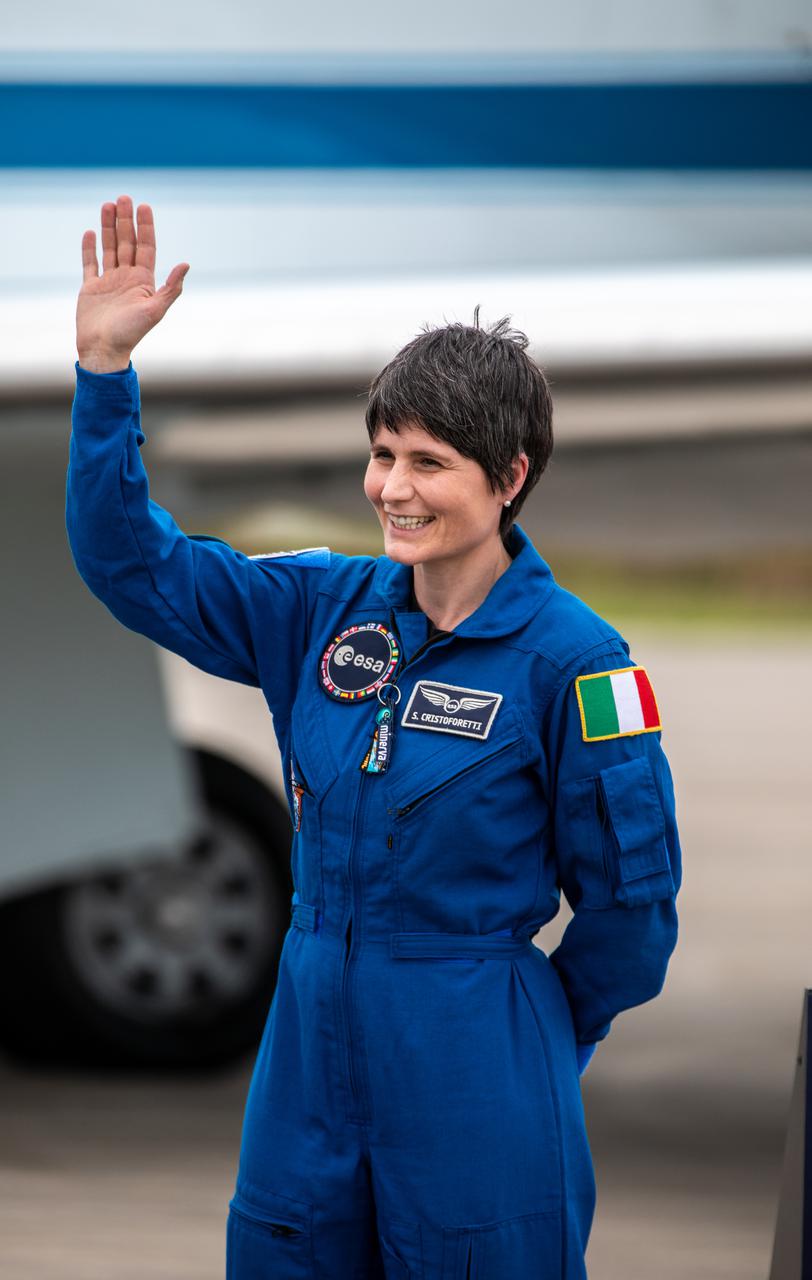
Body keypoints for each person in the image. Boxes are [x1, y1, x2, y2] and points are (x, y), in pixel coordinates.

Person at [67, 195, 682, 1279]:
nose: (392, 489)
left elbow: (631, 916)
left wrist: (523, 1031)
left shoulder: (579, 664)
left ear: (508, 477)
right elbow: (131, 565)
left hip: (471, 1061)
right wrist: (106, 376)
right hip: (307, 1054)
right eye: (382, 452)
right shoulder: (319, 608)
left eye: (429, 462)